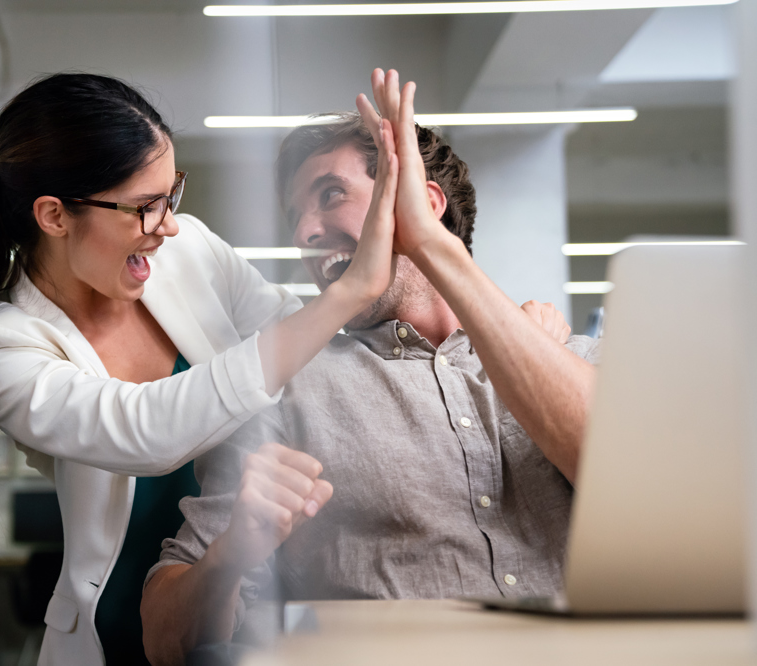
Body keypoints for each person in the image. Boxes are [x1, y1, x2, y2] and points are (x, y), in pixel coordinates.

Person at [0, 72, 401, 666]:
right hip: (114, 638)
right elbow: (150, 432)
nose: (168, 225)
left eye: (172, 195)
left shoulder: (187, 249)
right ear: (54, 216)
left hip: (237, 623)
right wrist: (347, 293)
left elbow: (306, 357)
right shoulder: (0, 350)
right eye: (145, 207)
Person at [139, 70, 599, 665]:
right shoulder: (281, 390)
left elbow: (641, 489)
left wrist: (430, 244)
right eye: (295, 216)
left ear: (424, 204)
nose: (306, 231)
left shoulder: (564, 360)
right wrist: (236, 550)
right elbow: (164, 641)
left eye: (331, 194)